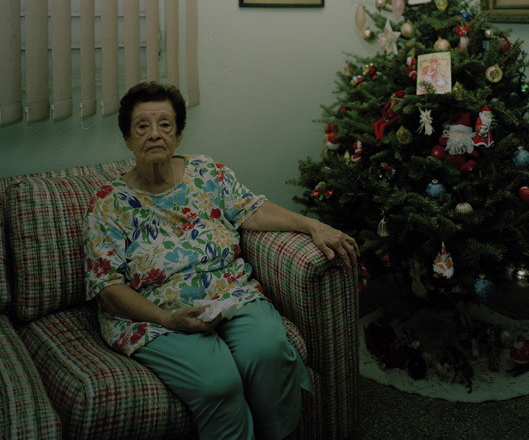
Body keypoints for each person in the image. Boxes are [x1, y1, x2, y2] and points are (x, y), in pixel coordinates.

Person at [84, 81, 359, 440]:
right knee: (218, 383)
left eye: (165, 124)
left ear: (178, 135)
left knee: (270, 351)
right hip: (158, 313)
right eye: (142, 126)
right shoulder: (108, 202)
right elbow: (107, 288)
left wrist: (312, 225)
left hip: (230, 293)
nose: (154, 134)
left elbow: (252, 209)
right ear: (127, 138)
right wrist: (168, 320)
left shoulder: (207, 172)